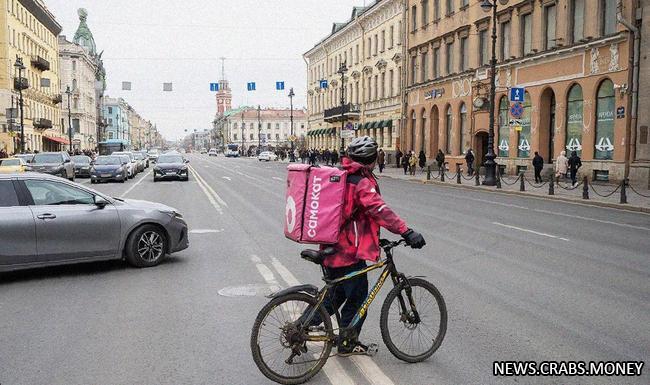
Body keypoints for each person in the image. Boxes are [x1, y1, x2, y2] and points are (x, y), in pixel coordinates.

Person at [304, 136, 426, 356]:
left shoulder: (342, 175)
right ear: (371, 159)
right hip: (348, 252)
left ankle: (302, 327)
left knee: (335, 296)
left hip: (332, 245)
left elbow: (354, 216)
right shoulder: (360, 182)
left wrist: (374, 237)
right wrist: (406, 232)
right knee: (359, 298)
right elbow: (379, 210)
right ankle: (347, 344)